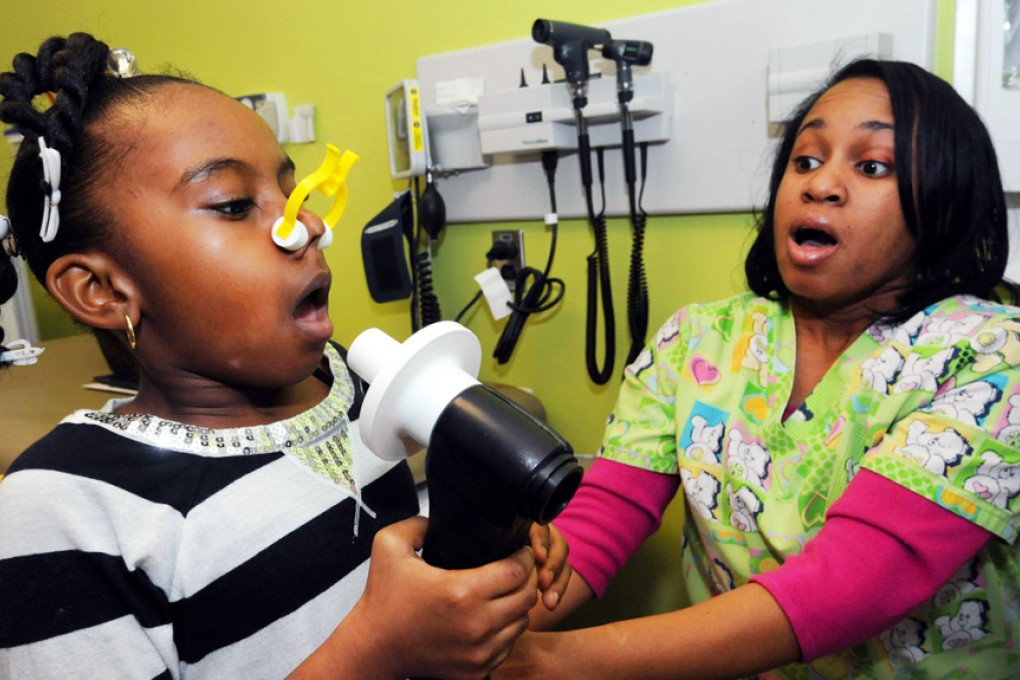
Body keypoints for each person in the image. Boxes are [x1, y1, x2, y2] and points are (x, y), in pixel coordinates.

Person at [0, 33, 569, 679]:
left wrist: (486, 551)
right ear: (102, 289)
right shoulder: (66, 511)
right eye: (235, 205)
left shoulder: (347, 380)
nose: (308, 225)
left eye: (292, 193)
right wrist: (375, 652)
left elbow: (400, 558)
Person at [493, 59, 1020, 679]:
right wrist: (482, 627)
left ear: (944, 198)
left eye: (871, 165)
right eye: (806, 159)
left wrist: (548, 664)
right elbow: (605, 515)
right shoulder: (700, 339)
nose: (821, 184)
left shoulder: (991, 357)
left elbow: (852, 582)